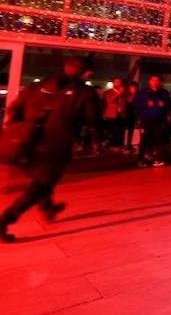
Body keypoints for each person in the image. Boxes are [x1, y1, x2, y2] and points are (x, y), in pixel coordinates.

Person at [0, 56, 98, 242]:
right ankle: (5, 220)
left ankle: (48, 207)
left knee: (43, 179)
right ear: (83, 71)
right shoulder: (83, 92)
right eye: (89, 70)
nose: (91, 73)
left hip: (27, 143)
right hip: (55, 146)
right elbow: (91, 119)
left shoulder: (37, 86)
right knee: (41, 184)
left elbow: (14, 110)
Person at [135, 75, 171, 167]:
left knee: (158, 139)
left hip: (159, 120)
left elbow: (169, 104)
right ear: (149, 81)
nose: (155, 82)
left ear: (159, 82)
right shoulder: (143, 92)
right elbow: (136, 104)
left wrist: (164, 104)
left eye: (157, 80)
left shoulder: (164, 92)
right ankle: (141, 159)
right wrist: (146, 104)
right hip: (146, 119)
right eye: (153, 80)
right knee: (144, 139)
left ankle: (157, 159)